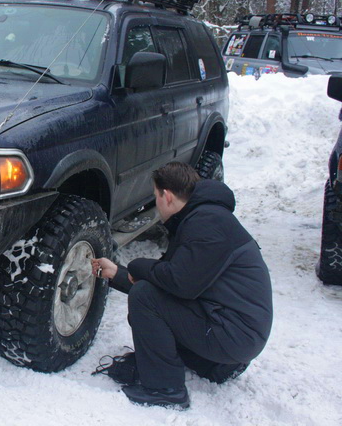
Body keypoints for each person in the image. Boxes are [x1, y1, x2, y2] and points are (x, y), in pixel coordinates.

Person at [92, 162, 273, 409]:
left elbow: (179, 284)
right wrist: (116, 273)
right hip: (235, 329)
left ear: (166, 196)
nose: (156, 204)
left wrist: (137, 265)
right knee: (149, 297)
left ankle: (165, 389)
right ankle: (214, 365)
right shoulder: (205, 218)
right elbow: (167, 282)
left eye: (156, 196)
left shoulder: (207, 223)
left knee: (144, 298)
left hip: (235, 334)